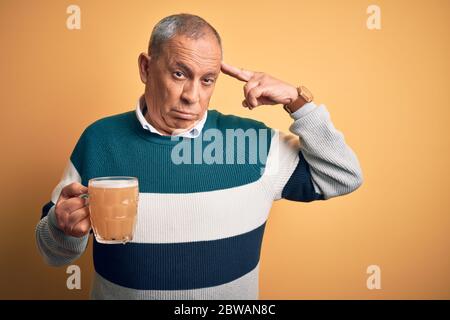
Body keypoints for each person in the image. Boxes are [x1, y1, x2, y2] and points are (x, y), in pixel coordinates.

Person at [35, 13, 363, 299]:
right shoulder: (99, 140)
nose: (193, 96)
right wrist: (61, 228)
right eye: (179, 74)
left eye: (207, 80)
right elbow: (53, 253)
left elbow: (343, 176)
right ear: (146, 68)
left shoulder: (250, 142)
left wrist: (296, 100)